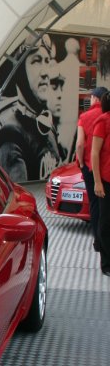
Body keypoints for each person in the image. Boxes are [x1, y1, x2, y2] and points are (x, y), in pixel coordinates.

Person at [0, 37, 62, 181]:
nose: (46, 73)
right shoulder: (11, 134)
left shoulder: (47, 126)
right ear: (19, 72)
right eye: (37, 61)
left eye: (46, 61)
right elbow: (18, 193)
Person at [76, 86, 108, 251]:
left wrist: (81, 163)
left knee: (95, 205)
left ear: (95, 98)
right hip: (105, 168)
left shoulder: (85, 116)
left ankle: (98, 241)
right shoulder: (106, 116)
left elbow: (80, 144)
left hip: (89, 166)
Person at [91, 92, 110, 275]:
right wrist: (97, 181)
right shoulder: (103, 122)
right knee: (105, 223)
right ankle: (106, 263)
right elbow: (95, 153)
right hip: (106, 180)